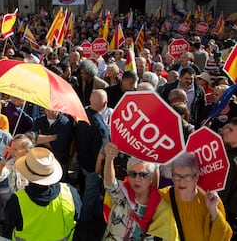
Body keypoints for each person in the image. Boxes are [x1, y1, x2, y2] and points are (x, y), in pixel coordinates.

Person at [103, 142, 178, 240]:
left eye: (143, 175)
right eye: (133, 174)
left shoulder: (161, 208)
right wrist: (109, 158)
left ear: (151, 178)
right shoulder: (122, 193)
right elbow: (110, 183)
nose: (137, 179)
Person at [4, 147, 81, 240]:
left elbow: (8, 228)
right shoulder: (70, 193)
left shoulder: (17, 201)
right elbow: (77, 216)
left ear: (27, 173)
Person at [160, 153, 232, 240]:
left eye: (187, 177)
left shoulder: (211, 201)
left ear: (196, 177)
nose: (181, 182)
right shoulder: (162, 197)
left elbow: (223, 237)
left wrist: (213, 211)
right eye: (177, 176)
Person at [76, 89, 110, 224]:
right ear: (105, 103)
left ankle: (96, 211)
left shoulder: (83, 115)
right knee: (90, 194)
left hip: (83, 161)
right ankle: (84, 219)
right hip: (93, 166)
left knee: (92, 191)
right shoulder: (98, 123)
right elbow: (100, 150)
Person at [31, 109, 74, 180]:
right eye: (47, 108)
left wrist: (40, 139)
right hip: (40, 159)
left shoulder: (66, 123)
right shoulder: (39, 120)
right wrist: (52, 137)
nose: (50, 110)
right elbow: (32, 138)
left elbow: (59, 146)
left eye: (53, 109)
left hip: (58, 161)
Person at [220, 118, 237, 236]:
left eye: (230, 130)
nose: (225, 131)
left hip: (228, 213)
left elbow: (224, 189)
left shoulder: (230, 160)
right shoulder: (228, 154)